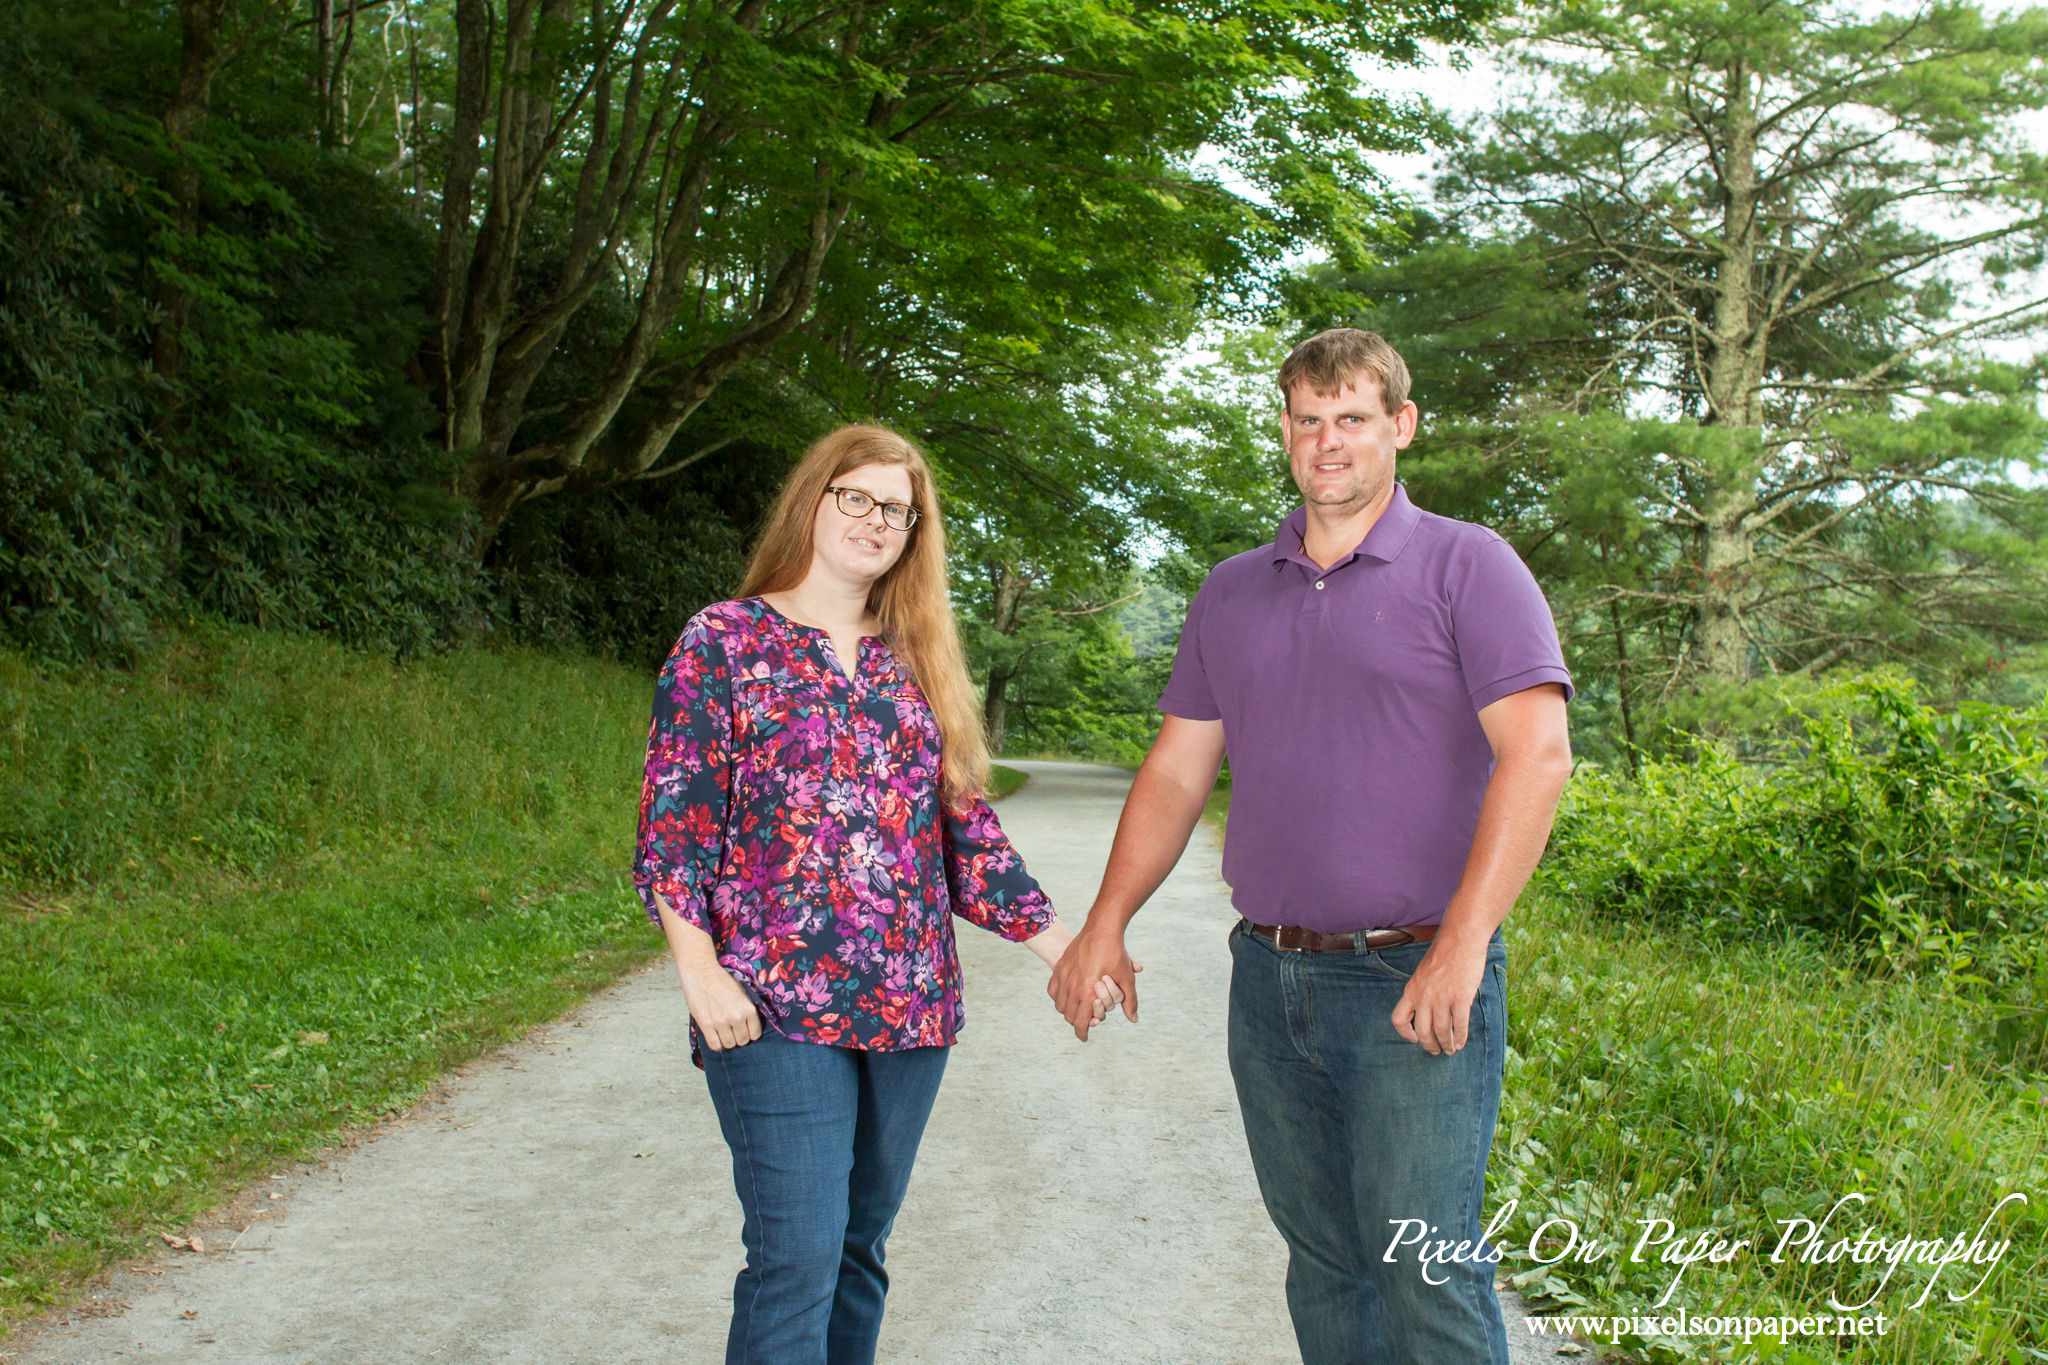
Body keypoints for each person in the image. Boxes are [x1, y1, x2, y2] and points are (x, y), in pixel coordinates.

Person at [1049, 329, 1574, 1365]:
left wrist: (1461, 947)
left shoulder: (1469, 566)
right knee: (1325, 1265)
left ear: (1399, 427)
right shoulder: (1232, 590)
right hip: (1269, 975)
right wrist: (1103, 923)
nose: (1325, 441)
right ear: (1283, 431)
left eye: (1350, 418)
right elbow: (1172, 772)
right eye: (1305, 419)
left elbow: (1539, 759)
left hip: (1412, 971)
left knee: (1423, 1266)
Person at [634, 424, 1118, 1365]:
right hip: (773, 1002)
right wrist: (700, 973)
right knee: (798, 1253)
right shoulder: (726, 641)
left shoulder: (918, 660)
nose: (873, 519)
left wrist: (1070, 950)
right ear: (813, 501)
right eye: (855, 496)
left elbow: (966, 836)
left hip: (910, 1006)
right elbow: (675, 824)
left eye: (895, 509)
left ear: (912, 533)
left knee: (859, 1250)